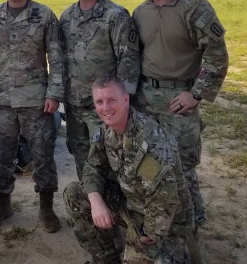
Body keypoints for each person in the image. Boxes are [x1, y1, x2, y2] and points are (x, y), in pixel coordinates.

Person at [132, 0, 229, 227]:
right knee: (148, 162)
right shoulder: (141, 12)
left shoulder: (194, 7)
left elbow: (216, 54)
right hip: (145, 100)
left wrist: (196, 94)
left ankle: (192, 221)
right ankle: (161, 217)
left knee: (182, 166)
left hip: (180, 100)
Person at [63, 76, 195, 263]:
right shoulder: (106, 131)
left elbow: (164, 198)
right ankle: (107, 258)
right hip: (131, 204)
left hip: (164, 221)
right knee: (74, 194)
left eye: (112, 100)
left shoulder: (148, 142)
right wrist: (96, 200)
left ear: (126, 100)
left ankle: (173, 252)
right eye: (99, 102)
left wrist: (147, 236)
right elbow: (93, 166)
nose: (105, 108)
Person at [0, 0, 64, 233]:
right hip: (2, 99)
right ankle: (3, 204)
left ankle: (46, 208)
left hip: (37, 100)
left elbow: (57, 59)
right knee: (1, 154)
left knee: (42, 154)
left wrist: (54, 93)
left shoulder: (45, 16)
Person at [60, 0, 140, 181]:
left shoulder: (115, 15)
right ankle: (88, 206)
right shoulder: (67, 17)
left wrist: (124, 100)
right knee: (81, 155)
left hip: (104, 106)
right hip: (74, 104)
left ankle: (116, 208)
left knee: (111, 157)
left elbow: (129, 58)